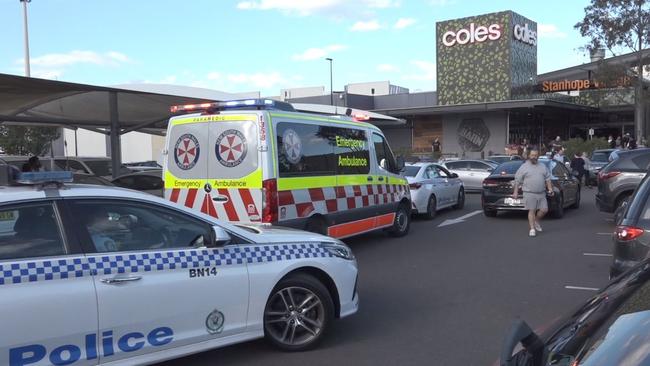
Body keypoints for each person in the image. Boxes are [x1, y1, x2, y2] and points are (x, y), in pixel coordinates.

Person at [513, 150, 554, 237]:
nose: (534, 157)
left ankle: (536, 221)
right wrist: (515, 192)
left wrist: (550, 189)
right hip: (529, 192)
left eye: (536, 155)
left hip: (541, 192)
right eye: (532, 155)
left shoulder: (542, 166)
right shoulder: (524, 167)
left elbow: (547, 178)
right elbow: (517, 180)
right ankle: (532, 229)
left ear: (538, 156)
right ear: (529, 156)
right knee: (532, 210)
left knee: (544, 210)